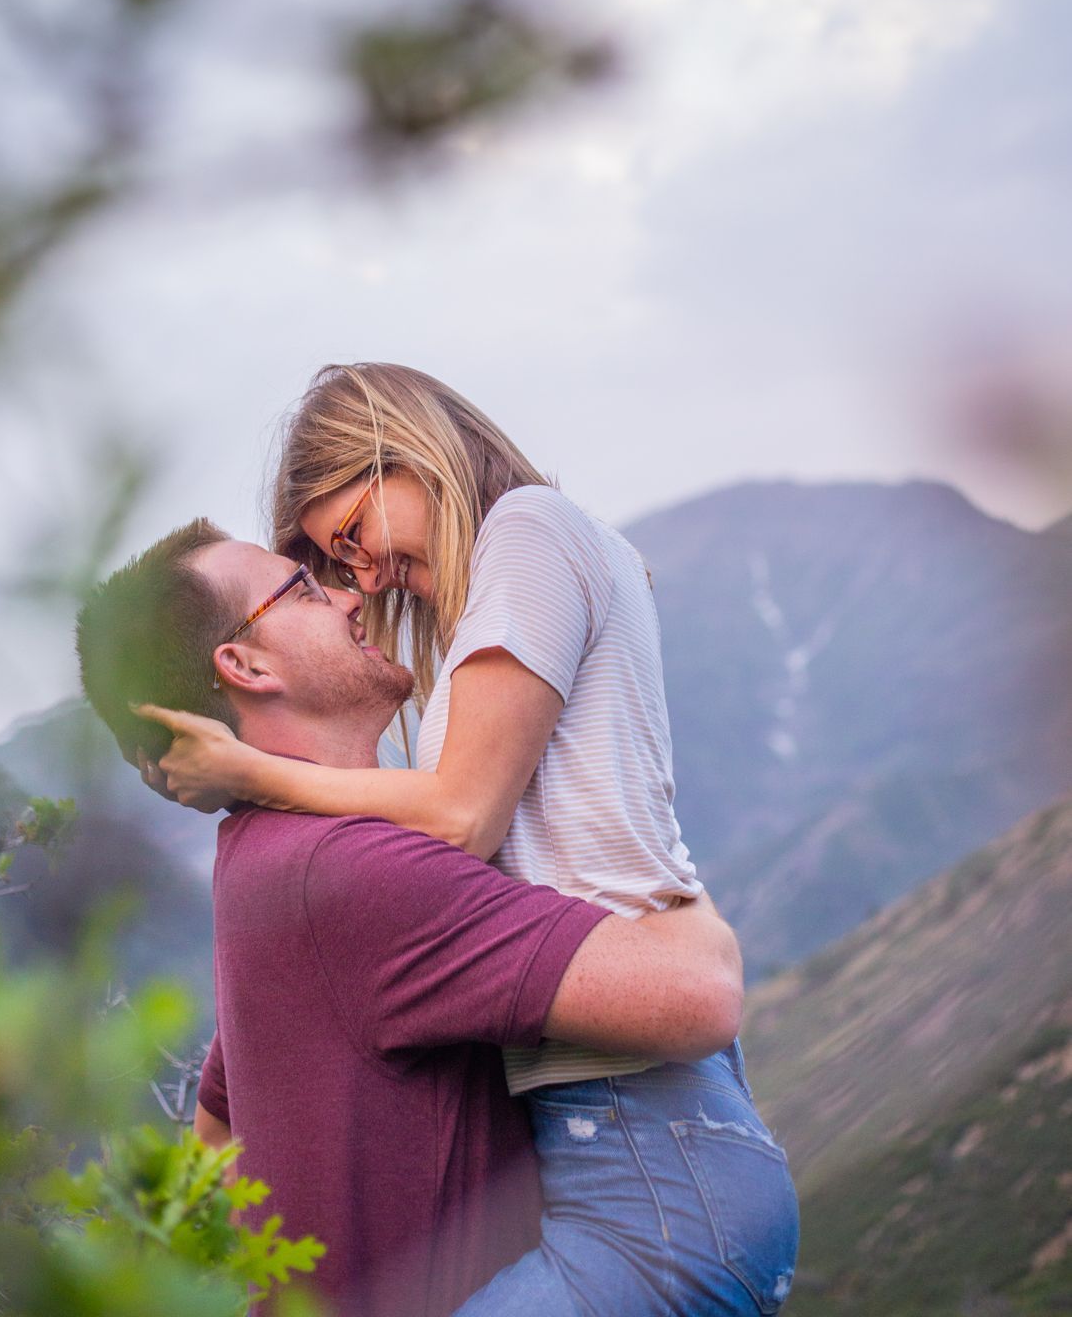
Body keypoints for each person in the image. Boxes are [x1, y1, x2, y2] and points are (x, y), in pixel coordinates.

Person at [139, 363, 800, 1315]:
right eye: (330, 566)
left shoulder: (527, 529)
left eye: (354, 538)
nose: (363, 579)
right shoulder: (499, 592)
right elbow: (245, 1055)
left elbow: (459, 819)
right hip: (631, 1153)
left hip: (651, 1160)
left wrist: (250, 774)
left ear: (402, 452)